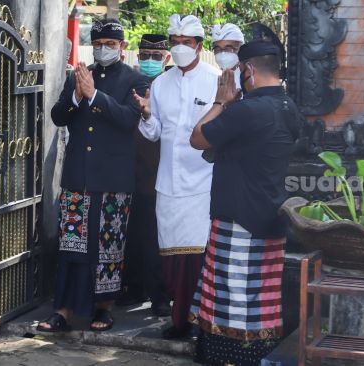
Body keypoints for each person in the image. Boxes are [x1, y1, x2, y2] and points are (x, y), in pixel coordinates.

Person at [188, 39, 302, 366]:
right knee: (259, 300)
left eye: (240, 69)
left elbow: (197, 138)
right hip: (269, 214)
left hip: (238, 218)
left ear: (248, 70)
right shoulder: (287, 107)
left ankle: (230, 359)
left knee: (231, 297)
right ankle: (256, 358)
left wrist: (220, 102)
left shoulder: (246, 110)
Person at [38, 18, 148, 333]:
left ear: (122, 47)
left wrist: (95, 96)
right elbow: (58, 116)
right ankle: (62, 311)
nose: (103, 50)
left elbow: (129, 120)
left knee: (107, 248)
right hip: (78, 177)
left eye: (110, 45)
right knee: (71, 245)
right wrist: (77, 94)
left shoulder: (134, 80)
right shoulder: (79, 75)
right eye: (98, 44)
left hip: (113, 180)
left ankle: (103, 308)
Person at [132, 14, 219, 339]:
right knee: (170, 254)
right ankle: (179, 318)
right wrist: (145, 113)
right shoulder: (160, 83)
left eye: (187, 42)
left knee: (198, 255)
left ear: (199, 45)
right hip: (167, 183)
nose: (180, 47)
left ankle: (200, 320)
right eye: (176, 42)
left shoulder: (215, 79)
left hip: (203, 184)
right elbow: (154, 132)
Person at [118, 34, 171, 317]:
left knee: (156, 239)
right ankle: (133, 288)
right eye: (146, 55)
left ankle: (159, 295)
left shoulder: (170, 87)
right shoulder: (129, 82)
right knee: (132, 236)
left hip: (160, 174)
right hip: (129, 172)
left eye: (156, 56)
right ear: (137, 56)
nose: (150, 61)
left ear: (166, 59)